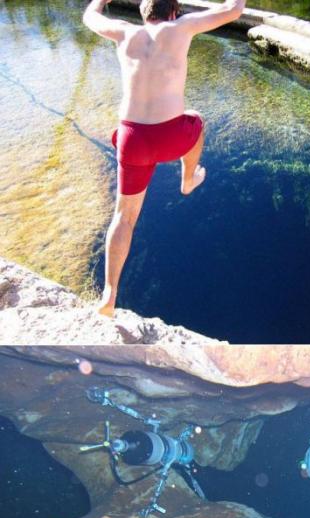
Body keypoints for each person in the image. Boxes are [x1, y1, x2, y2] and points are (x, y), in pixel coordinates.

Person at [83, 0, 246, 317]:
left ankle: (109, 295)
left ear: (145, 15)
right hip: (170, 137)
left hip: (132, 139)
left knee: (124, 216)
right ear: (173, 13)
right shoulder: (180, 27)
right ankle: (186, 180)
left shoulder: (125, 33)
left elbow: (90, 17)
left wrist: (101, 0)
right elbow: (233, 11)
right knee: (196, 120)